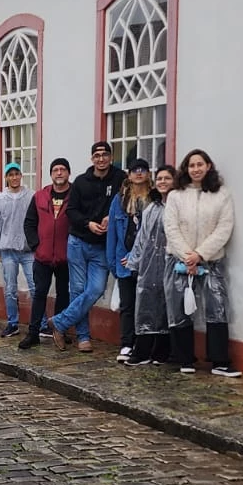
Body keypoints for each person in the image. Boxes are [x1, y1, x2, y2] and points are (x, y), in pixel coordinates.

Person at [164, 149, 241, 376]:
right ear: (186, 169)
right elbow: (171, 227)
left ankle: (219, 361)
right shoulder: (175, 196)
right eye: (191, 165)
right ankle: (184, 358)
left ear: (208, 166)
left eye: (200, 164)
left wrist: (200, 254)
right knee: (180, 308)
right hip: (181, 261)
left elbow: (224, 227)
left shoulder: (221, 194)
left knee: (217, 307)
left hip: (211, 261)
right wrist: (187, 255)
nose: (196, 169)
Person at [50, 141, 126, 353]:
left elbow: (126, 203)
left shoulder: (120, 179)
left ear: (111, 157)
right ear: (92, 159)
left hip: (102, 246)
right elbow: (71, 211)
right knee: (77, 289)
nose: (101, 159)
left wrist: (111, 216)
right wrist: (88, 224)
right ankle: (83, 337)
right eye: (97, 155)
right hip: (78, 242)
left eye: (105, 155)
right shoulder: (81, 182)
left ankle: (60, 322)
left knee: (96, 289)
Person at [124, 164, 177, 365]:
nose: (163, 182)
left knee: (168, 306)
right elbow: (142, 238)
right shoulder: (151, 208)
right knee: (146, 305)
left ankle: (163, 351)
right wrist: (134, 262)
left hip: (172, 264)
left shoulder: (177, 206)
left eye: (167, 178)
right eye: (160, 178)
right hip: (149, 266)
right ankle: (143, 350)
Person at [19, 158, 72, 350]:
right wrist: (36, 245)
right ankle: (33, 333)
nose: (59, 173)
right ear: (51, 174)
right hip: (43, 256)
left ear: (68, 173)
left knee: (63, 294)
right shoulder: (40, 196)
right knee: (39, 293)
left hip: (66, 256)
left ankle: (60, 330)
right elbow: (29, 223)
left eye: (63, 169)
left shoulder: (76, 195)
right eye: (55, 169)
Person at [106, 159, 153, 362]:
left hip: (147, 263)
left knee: (146, 305)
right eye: (135, 170)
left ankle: (144, 346)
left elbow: (151, 234)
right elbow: (112, 234)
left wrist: (137, 257)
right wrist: (113, 262)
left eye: (143, 170)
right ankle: (127, 343)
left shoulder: (153, 199)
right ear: (129, 174)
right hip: (123, 262)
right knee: (127, 305)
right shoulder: (120, 199)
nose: (139, 173)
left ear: (148, 173)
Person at [0, 163, 35, 338]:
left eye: (17, 174)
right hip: (8, 249)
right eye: (11, 175)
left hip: (28, 249)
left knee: (35, 286)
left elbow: (37, 221)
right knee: (10, 288)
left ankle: (40, 323)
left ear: (21, 175)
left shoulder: (31, 196)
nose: (14, 177)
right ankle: (13, 323)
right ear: (6, 178)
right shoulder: (0, 199)